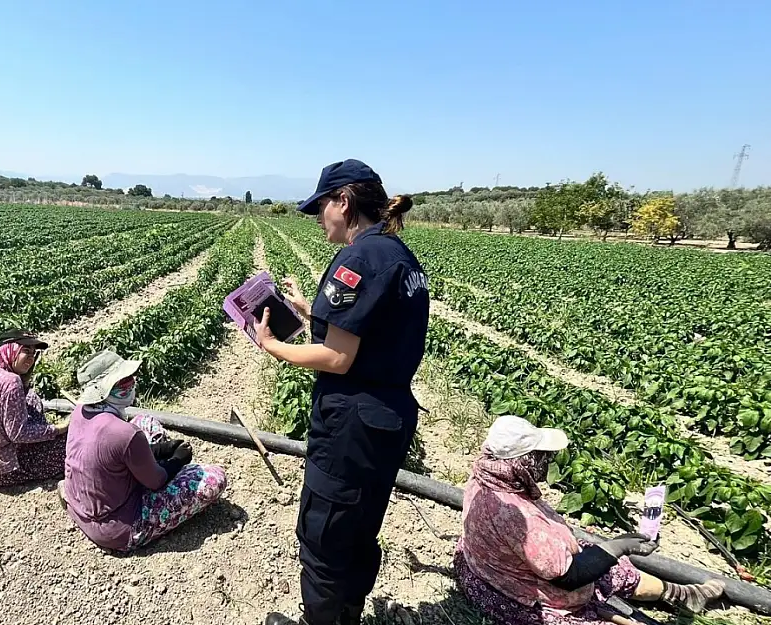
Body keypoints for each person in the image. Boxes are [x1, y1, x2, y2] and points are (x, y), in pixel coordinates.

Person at [256, 160, 429, 625]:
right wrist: (308, 309)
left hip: (352, 425)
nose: (318, 218)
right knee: (358, 529)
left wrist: (273, 346)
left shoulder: (358, 257)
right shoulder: (397, 254)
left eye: (321, 207)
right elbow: (370, 333)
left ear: (344, 203)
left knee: (325, 538)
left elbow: (338, 357)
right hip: (387, 419)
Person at [455, 415, 727, 624]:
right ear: (524, 462)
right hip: (525, 598)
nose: (548, 462)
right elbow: (569, 577)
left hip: (485, 570)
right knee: (601, 568)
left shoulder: (487, 474)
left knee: (610, 567)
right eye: (542, 457)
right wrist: (620, 545)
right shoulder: (517, 517)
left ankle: (681, 594)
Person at [62, 349, 227, 553]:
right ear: (105, 391)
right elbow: (156, 481)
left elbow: (117, 449)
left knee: (146, 422)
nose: (131, 384)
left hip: (79, 506)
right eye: (124, 382)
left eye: (130, 379)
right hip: (117, 527)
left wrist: (160, 449)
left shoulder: (80, 410)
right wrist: (176, 461)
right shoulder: (124, 434)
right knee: (213, 478)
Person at [0, 330, 68, 488]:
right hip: (2, 471)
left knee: (31, 398)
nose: (31, 358)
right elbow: (18, 434)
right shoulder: (11, 381)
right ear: (9, 350)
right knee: (72, 445)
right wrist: (58, 429)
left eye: (33, 353)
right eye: (25, 351)